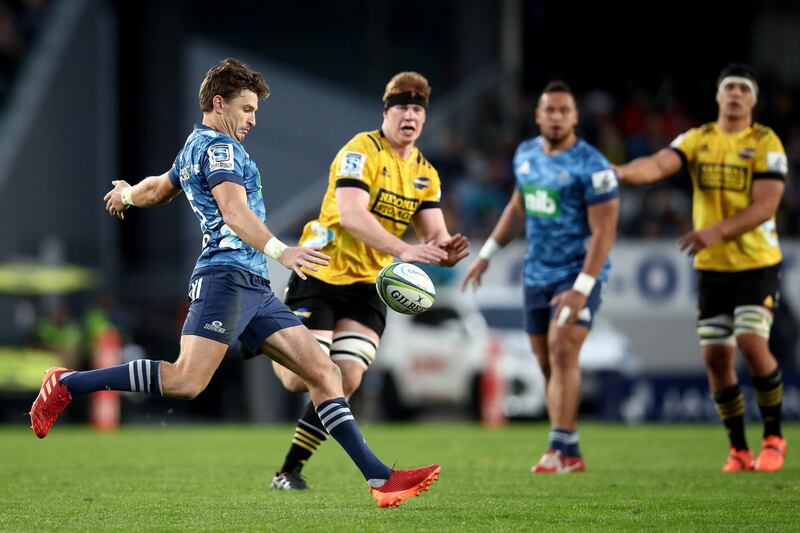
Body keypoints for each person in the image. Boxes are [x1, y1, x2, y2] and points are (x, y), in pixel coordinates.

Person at [28, 58, 440, 508]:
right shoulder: (221, 150)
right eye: (246, 109)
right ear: (218, 103)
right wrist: (284, 252)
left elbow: (158, 190)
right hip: (225, 278)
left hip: (254, 287)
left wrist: (126, 194)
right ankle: (69, 383)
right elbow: (235, 212)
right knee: (186, 381)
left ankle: (380, 479)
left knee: (326, 373)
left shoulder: (193, 146)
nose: (252, 120)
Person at [269, 71, 469, 490]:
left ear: (424, 117)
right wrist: (406, 250)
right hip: (321, 270)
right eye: (402, 108)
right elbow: (351, 215)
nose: (410, 116)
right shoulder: (360, 151)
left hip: (368, 283)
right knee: (295, 379)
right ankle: (266, 334)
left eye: (417, 109)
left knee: (346, 378)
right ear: (386, 112)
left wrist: (445, 249)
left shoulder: (425, 173)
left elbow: (434, 233)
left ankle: (289, 471)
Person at [614, 63, 788, 473]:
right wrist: (619, 172)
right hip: (712, 266)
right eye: (729, 87)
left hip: (756, 261)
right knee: (714, 356)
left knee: (750, 341)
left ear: (753, 100)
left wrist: (717, 231)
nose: (735, 94)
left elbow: (767, 205)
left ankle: (774, 438)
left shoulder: (766, 141)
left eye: (744, 89)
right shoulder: (698, 139)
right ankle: (738, 449)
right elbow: (659, 164)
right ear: (717, 96)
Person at [461, 81, 620, 474]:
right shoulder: (526, 154)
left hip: (577, 273)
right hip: (536, 274)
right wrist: (487, 255)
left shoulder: (593, 166)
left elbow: (604, 231)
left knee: (563, 348)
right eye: (549, 110)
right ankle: (570, 445)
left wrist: (582, 288)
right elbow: (518, 208)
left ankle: (557, 450)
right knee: (548, 362)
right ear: (538, 115)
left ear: (575, 117)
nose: (556, 117)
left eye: (564, 110)